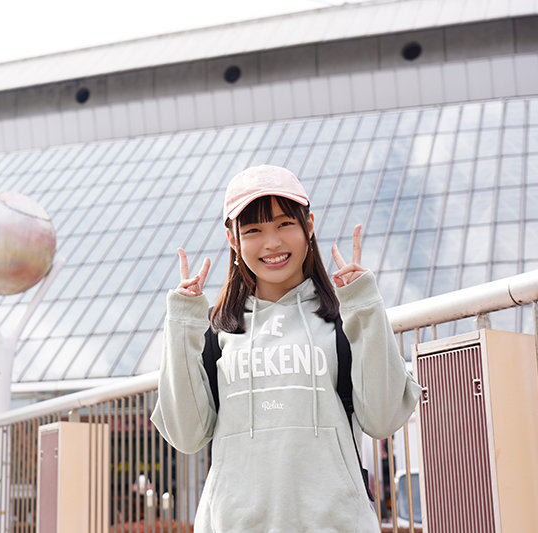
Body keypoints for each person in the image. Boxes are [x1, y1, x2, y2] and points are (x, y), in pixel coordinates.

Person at [150, 164, 422, 532]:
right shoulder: (215, 331)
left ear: (309, 225)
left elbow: (383, 419)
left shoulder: (344, 319)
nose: (272, 243)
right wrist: (182, 322)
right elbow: (186, 436)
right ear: (233, 240)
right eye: (253, 230)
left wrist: (365, 306)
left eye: (284, 224)